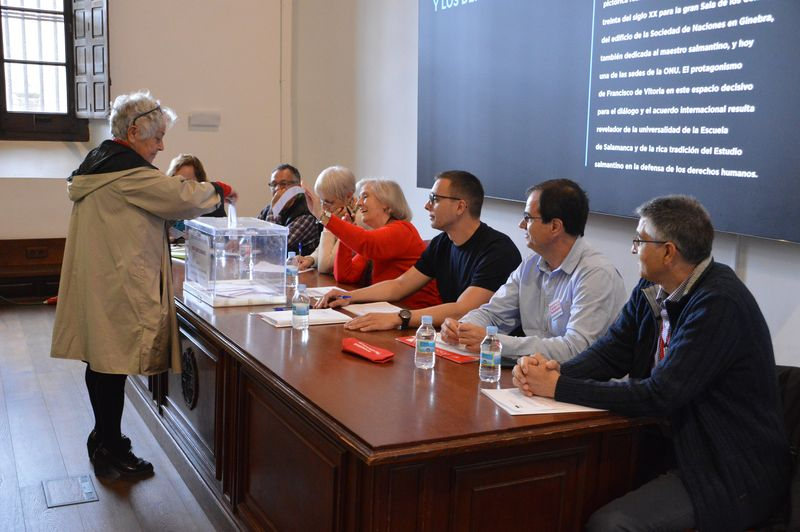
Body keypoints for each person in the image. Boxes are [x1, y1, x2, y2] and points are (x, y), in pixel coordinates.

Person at [512, 195, 791, 531]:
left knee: (609, 523)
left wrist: (560, 387)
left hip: (727, 467)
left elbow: (659, 395)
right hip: (673, 446)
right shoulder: (654, 285)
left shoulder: (719, 303)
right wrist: (557, 371)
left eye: (639, 241)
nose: (633, 250)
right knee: (566, 496)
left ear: (668, 252)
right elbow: (613, 351)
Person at [50, 90, 237, 479]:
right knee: (111, 367)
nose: (161, 146)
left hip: (100, 281)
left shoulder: (99, 165)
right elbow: (179, 196)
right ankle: (112, 448)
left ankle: (103, 437)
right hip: (115, 285)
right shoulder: (127, 172)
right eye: (156, 138)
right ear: (134, 132)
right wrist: (218, 188)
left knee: (99, 363)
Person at [440, 179, 626, 361]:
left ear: (555, 226)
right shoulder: (531, 264)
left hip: (581, 383)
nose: (521, 225)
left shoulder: (596, 274)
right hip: (532, 373)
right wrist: (462, 328)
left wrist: (496, 342)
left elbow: (576, 349)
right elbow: (493, 314)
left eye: (528, 218)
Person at [316, 170, 521, 332]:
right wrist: (349, 297)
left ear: (460, 207)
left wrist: (399, 318)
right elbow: (400, 285)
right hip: (451, 335)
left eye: (434, 199)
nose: (426, 206)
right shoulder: (443, 243)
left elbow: (463, 309)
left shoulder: (497, 251)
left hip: (493, 356)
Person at [306, 178, 440, 309]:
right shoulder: (378, 236)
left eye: (364, 196)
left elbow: (365, 242)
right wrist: (344, 233)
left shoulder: (402, 230)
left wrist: (323, 216)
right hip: (390, 310)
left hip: (416, 315)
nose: (358, 203)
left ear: (386, 204)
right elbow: (345, 275)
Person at [296, 166, 357, 274]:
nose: (324, 208)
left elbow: (325, 265)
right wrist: (311, 259)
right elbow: (325, 251)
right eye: (322, 201)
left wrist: (328, 224)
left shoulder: (356, 220)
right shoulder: (341, 212)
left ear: (348, 196)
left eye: (329, 202)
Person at [257, 163, 320, 255]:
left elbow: (275, 247)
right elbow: (252, 239)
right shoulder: (268, 209)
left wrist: (276, 209)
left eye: (283, 184)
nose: (277, 189)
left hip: (298, 268)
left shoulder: (307, 213)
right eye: (274, 184)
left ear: (297, 187)